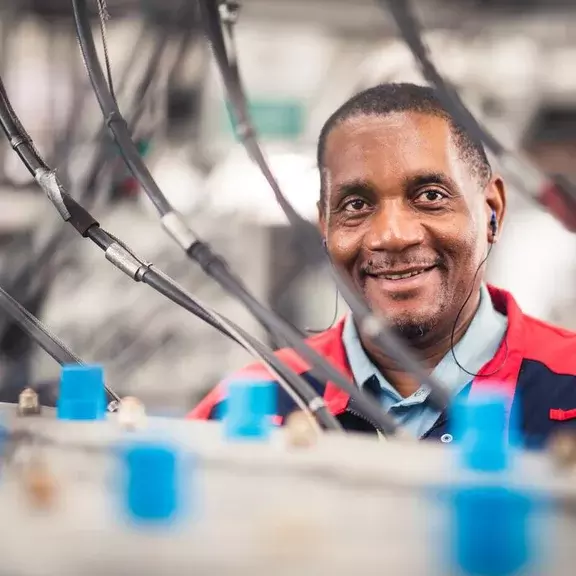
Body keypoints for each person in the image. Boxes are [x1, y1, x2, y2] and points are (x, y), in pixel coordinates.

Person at [189, 83, 576, 447]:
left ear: (492, 211)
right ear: (325, 227)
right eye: (356, 205)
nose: (391, 235)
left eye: (430, 195)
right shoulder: (249, 408)